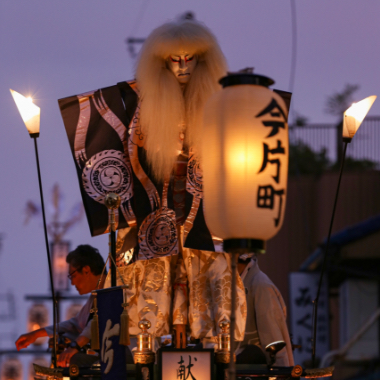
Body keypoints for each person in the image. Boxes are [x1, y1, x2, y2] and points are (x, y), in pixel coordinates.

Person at [15, 245, 107, 367]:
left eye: (73, 276)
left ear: (86, 270)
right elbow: (75, 324)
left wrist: (75, 346)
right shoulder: (94, 298)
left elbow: (96, 323)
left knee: (77, 361)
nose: (73, 282)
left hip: (124, 353)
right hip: (105, 357)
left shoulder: (113, 290)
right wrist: (36, 334)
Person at [236, 254, 294, 366]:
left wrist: (279, 369)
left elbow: (273, 338)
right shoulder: (227, 282)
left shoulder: (260, 286)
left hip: (250, 369)